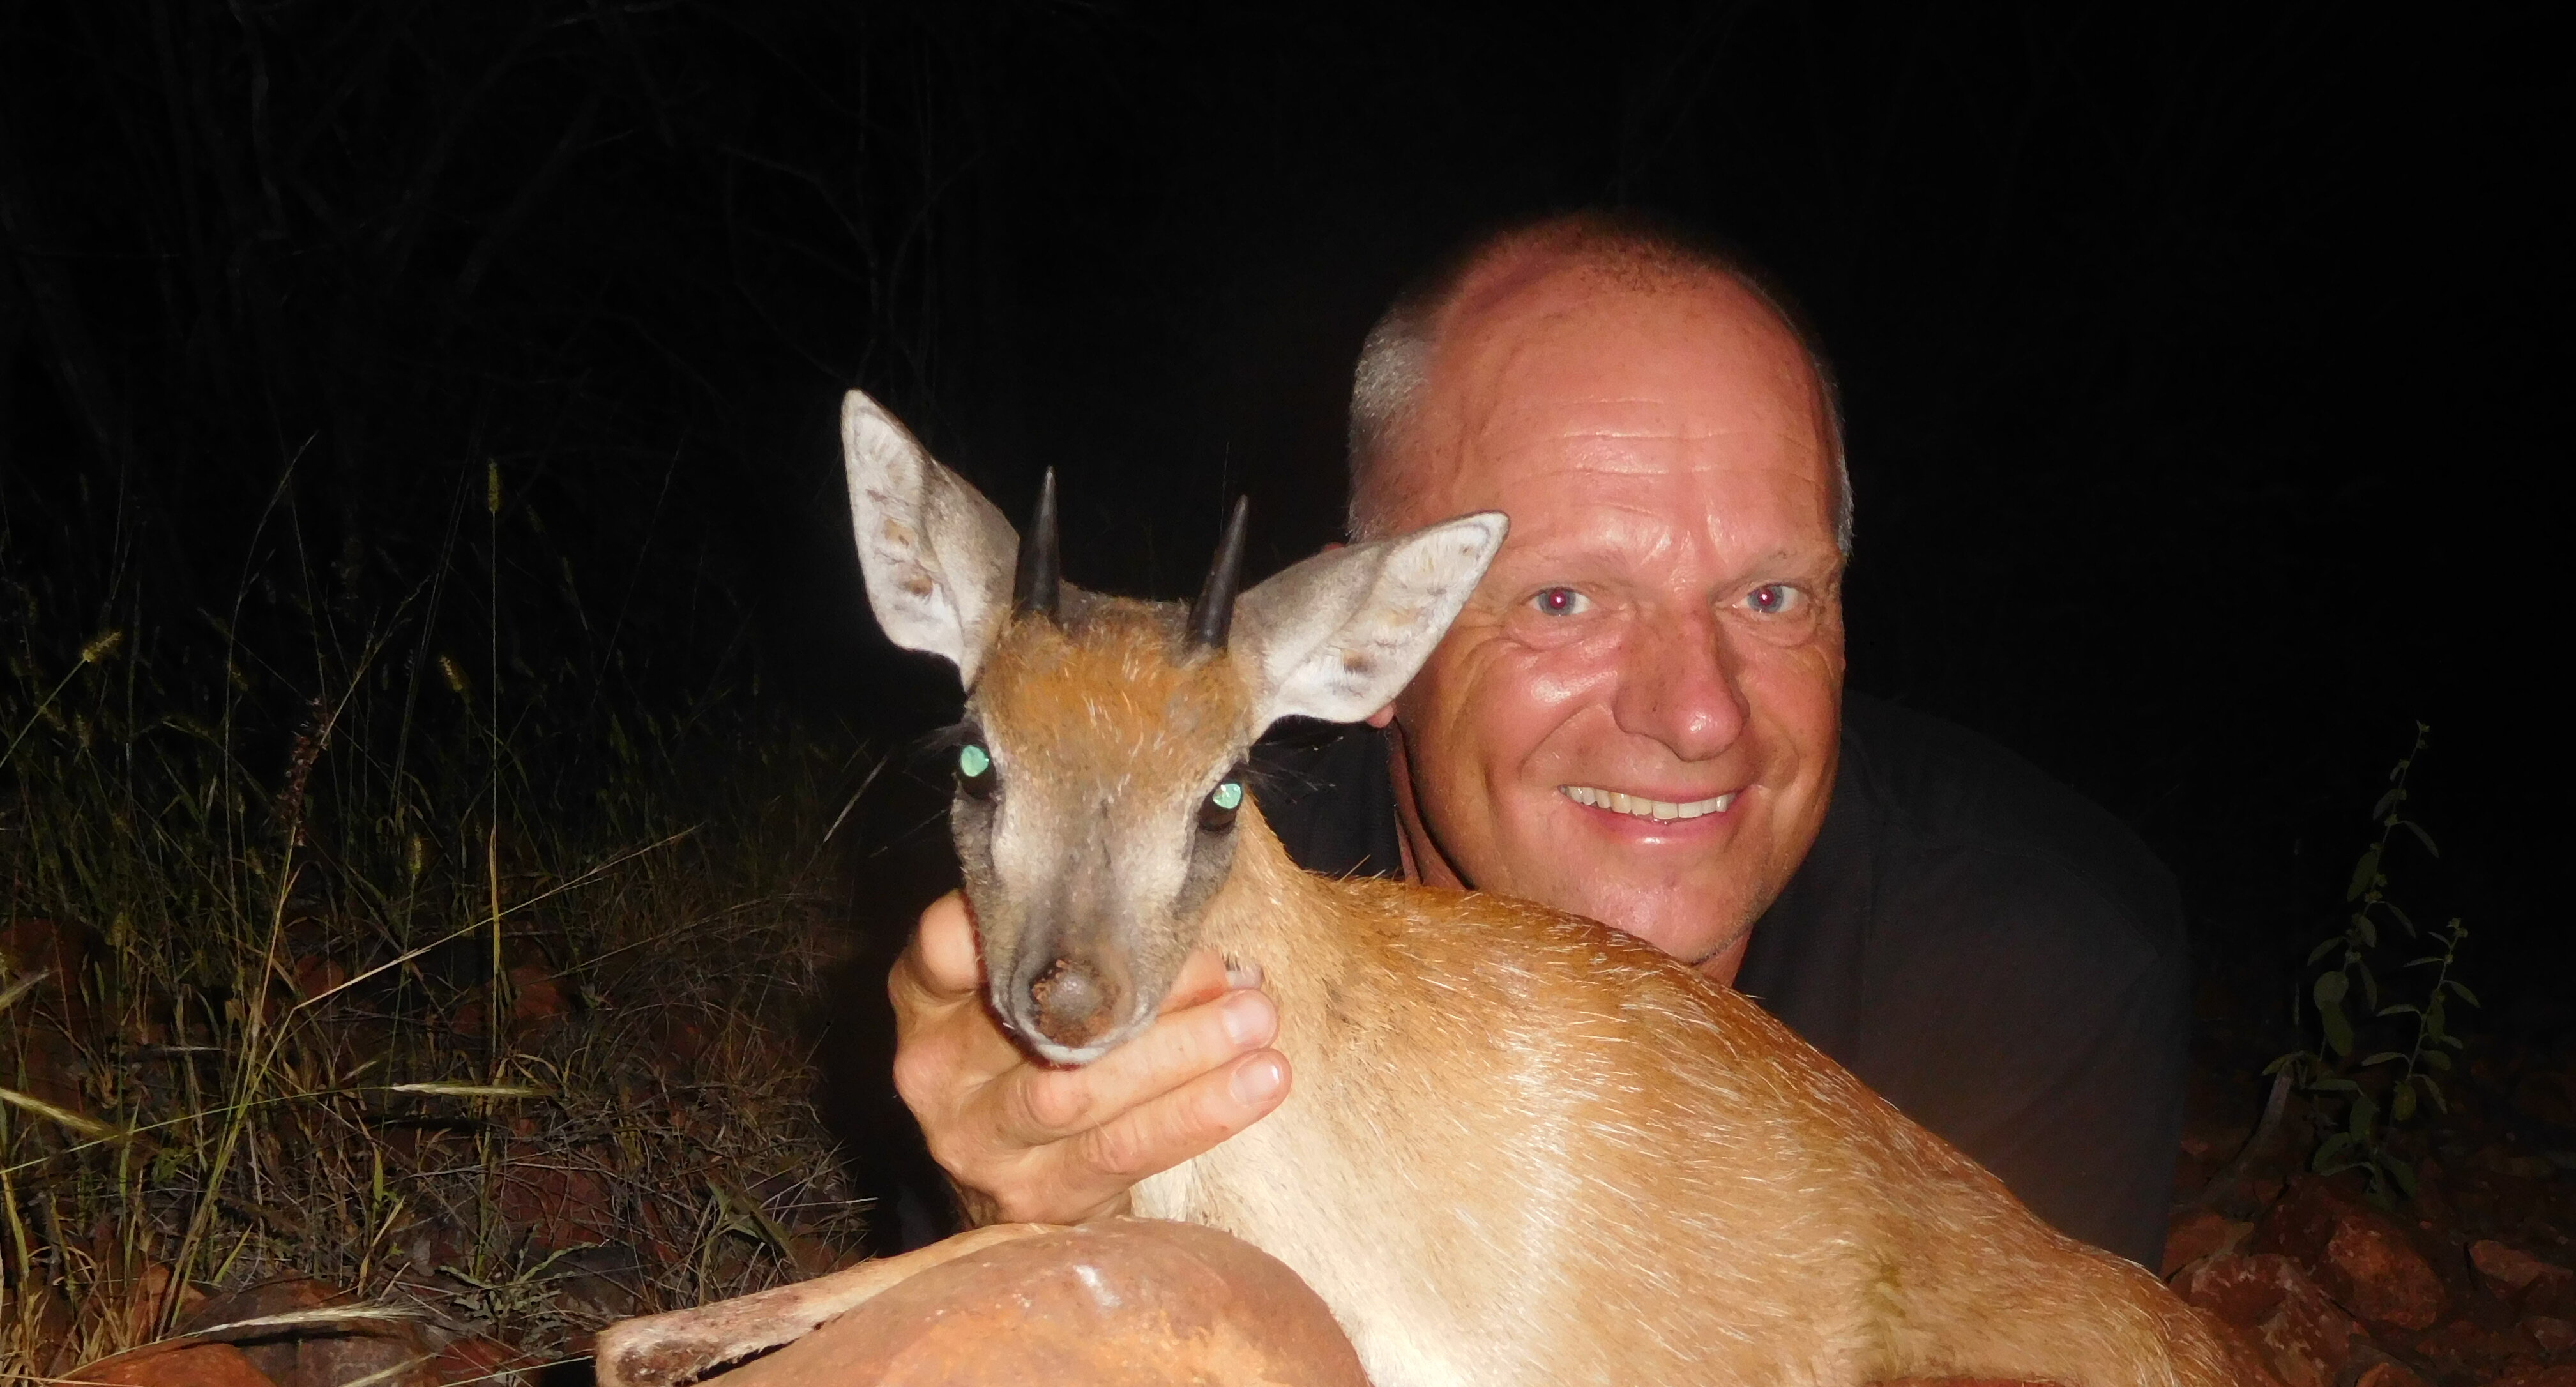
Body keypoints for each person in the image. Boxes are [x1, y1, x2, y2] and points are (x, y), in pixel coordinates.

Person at [886, 212, 2189, 1266]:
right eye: (1564, 602)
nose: (1698, 716)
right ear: (1378, 647)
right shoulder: (1171, 896)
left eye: (1771, 597)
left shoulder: (2016, 973)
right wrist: (1016, 1202)